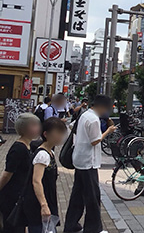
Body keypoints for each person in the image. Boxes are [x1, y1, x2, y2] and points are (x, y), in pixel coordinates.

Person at [64, 95, 116, 233]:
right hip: (89, 162)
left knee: (78, 195)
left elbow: (71, 126)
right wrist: (108, 131)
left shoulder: (85, 115)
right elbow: (95, 140)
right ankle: (93, 229)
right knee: (93, 197)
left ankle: (71, 225)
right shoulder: (93, 119)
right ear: (101, 107)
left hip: (80, 160)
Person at [22, 117, 68, 233]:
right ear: (46, 134)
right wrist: (43, 205)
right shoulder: (42, 155)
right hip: (37, 203)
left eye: (61, 133)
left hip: (46, 198)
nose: (60, 137)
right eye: (57, 133)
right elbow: (36, 181)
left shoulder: (50, 152)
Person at [0, 113, 42, 233]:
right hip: (11, 195)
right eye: (34, 125)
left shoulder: (29, 146)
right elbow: (7, 174)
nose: (38, 128)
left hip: (21, 194)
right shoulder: (18, 149)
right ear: (25, 129)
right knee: (11, 227)